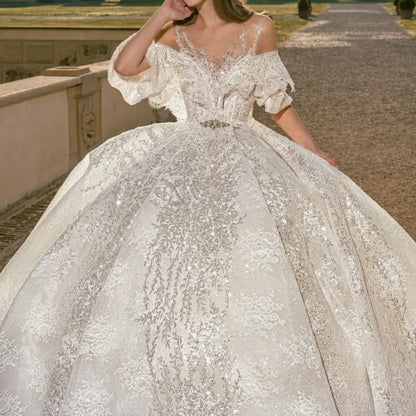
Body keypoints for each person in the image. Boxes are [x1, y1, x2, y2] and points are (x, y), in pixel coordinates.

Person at [0, 0, 415, 414]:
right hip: (182, 156)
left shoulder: (259, 28)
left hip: (245, 153)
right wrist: (161, 15)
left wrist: (312, 152)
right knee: (168, 259)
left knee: (248, 256)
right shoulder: (170, 31)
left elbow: (276, 101)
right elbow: (124, 69)